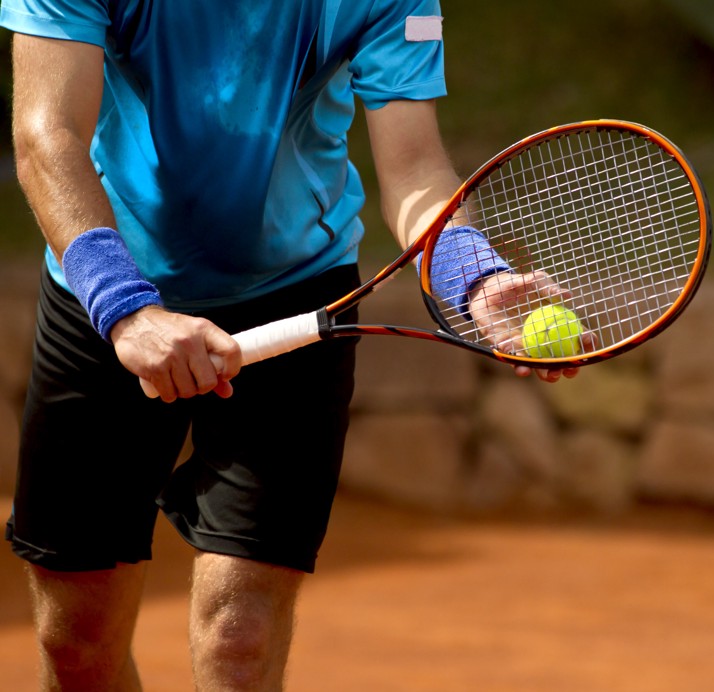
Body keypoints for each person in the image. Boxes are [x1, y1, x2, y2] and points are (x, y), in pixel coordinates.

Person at [1, 2, 580, 689]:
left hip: (296, 291)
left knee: (239, 638)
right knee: (75, 643)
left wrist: (474, 280)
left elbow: (417, 169)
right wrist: (127, 309)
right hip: (102, 290)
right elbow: (47, 134)